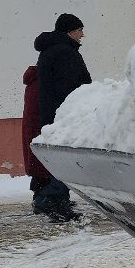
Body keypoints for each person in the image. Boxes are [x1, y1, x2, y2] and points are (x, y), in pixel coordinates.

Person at [27, 13, 92, 222]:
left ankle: (55, 198)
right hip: (63, 113)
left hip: (51, 110)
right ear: (70, 31)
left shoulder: (51, 48)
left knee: (56, 155)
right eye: (80, 30)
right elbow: (71, 86)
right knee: (64, 157)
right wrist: (83, 104)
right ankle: (51, 198)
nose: (82, 34)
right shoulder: (65, 51)